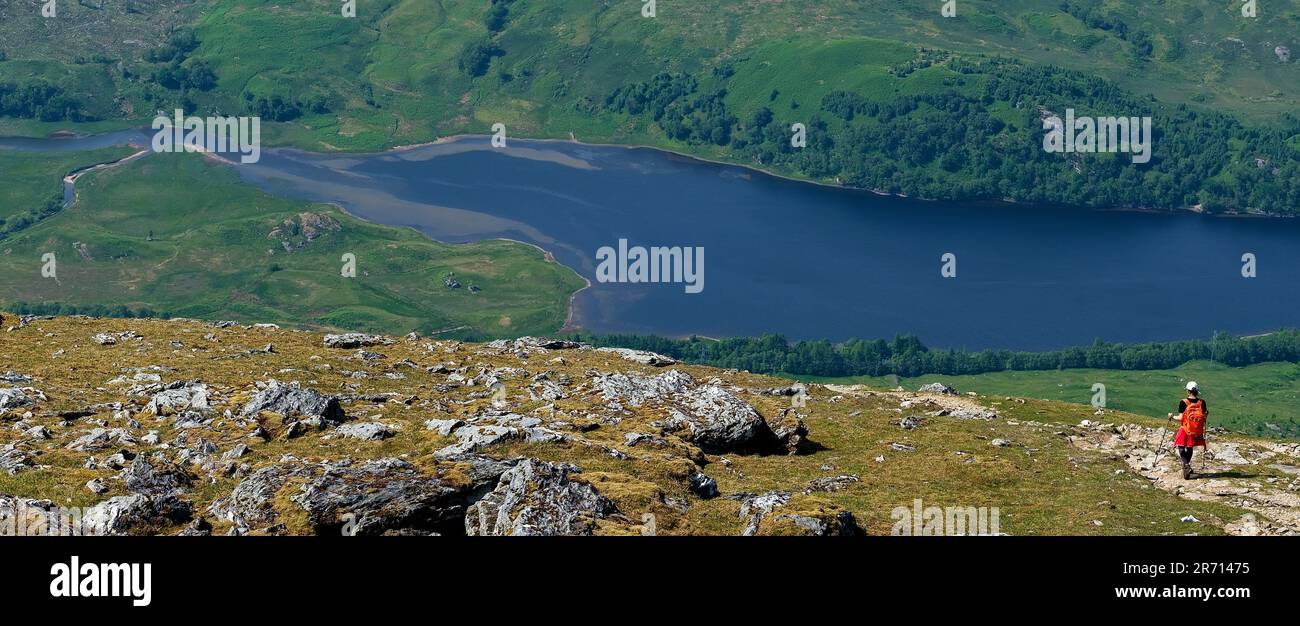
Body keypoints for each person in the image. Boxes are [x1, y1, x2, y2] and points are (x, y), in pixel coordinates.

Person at [1168, 381, 1207, 479]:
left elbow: (1181, 418)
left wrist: (1171, 417)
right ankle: (1186, 467)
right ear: (1197, 391)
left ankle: (1186, 465)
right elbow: (1205, 416)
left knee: (1180, 446)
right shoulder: (1202, 402)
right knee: (1190, 448)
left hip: (1185, 429)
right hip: (1196, 430)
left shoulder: (1184, 402)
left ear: (1188, 391)